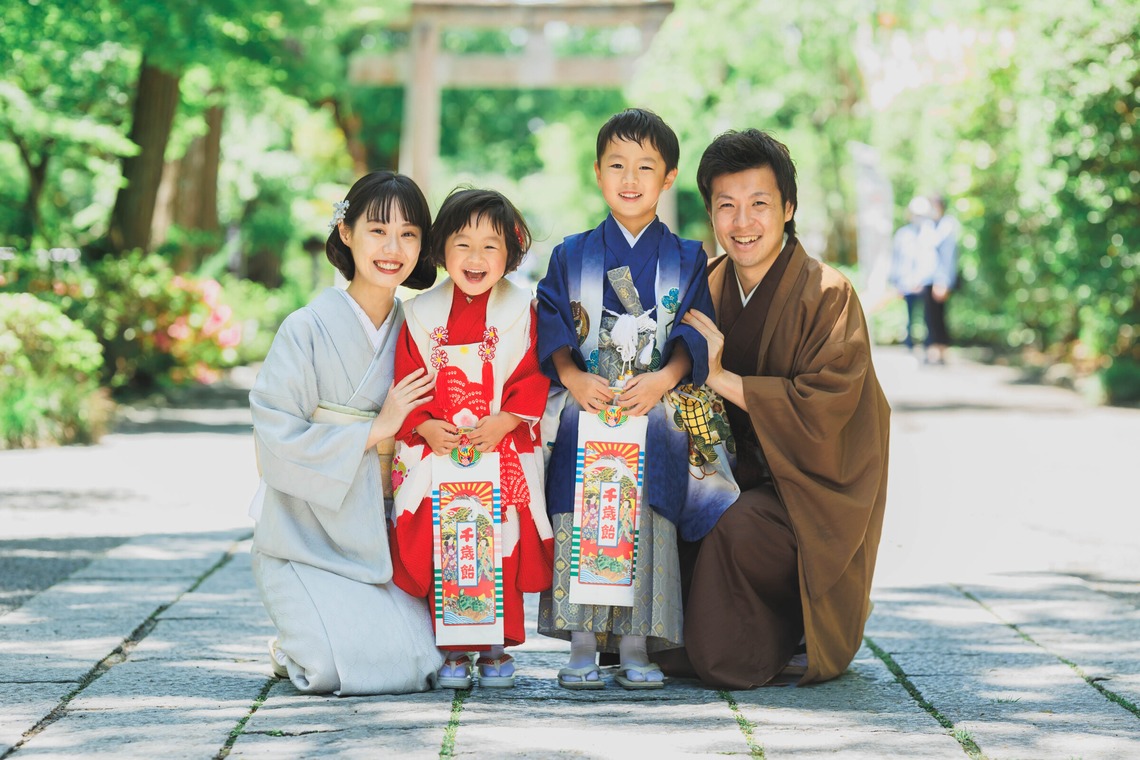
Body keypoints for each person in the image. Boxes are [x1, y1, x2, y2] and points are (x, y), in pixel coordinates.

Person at [663, 128, 890, 688]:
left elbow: (824, 412)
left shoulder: (828, 294)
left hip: (803, 493)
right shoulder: (705, 286)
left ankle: (786, 632)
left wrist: (720, 376)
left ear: (788, 208)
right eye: (727, 206)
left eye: (759, 204)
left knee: (735, 526)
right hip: (718, 472)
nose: (743, 222)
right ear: (711, 214)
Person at [536, 108, 737, 690]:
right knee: (582, 507)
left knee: (647, 512)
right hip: (587, 403)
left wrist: (664, 379)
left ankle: (635, 643)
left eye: (646, 167)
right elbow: (551, 323)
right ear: (597, 172)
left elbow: (695, 333)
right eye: (617, 165)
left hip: (653, 408)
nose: (630, 179)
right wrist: (574, 379)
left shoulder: (688, 257)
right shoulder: (571, 253)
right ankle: (581, 643)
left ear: (668, 177)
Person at [248, 171, 444, 695]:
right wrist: (377, 428)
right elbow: (274, 441)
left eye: (408, 234)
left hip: (385, 538)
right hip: (306, 536)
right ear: (346, 231)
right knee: (331, 670)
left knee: (420, 666)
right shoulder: (305, 328)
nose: (392, 248)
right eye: (378, 230)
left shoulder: (422, 329)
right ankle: (294, 638)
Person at [389, 188, 553, 690]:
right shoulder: (420, 313)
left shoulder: (522, 309)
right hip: (439, 451)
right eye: (462, 244)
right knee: (447, 540)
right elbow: (408, 378)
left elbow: (532, 373)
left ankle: (496, 648)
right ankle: (454, 649)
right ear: (441, 248)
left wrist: (506, 420)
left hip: (499, 447)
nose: (475, 258)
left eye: (490, 246)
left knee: (499, 543)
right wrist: (422, 424)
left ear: (511, 252)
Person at [888, 196, 938, 353]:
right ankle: (910, 346)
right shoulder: (903, 235)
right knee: (910, 318)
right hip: (906, 284)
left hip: (925, 283)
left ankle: (927, 347)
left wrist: (923, 280)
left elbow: (932, 260)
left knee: (928, 318)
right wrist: (896, 283)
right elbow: (896, 260)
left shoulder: (930, 233)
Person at [927, 194, 959, 364]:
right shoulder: (929, 225)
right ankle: (934, 350)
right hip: (928, 279)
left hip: (940, 280)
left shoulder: (947, 226)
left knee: (939, 316)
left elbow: (948, 257)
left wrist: (943, 281)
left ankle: (942, 351)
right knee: (930, 316)